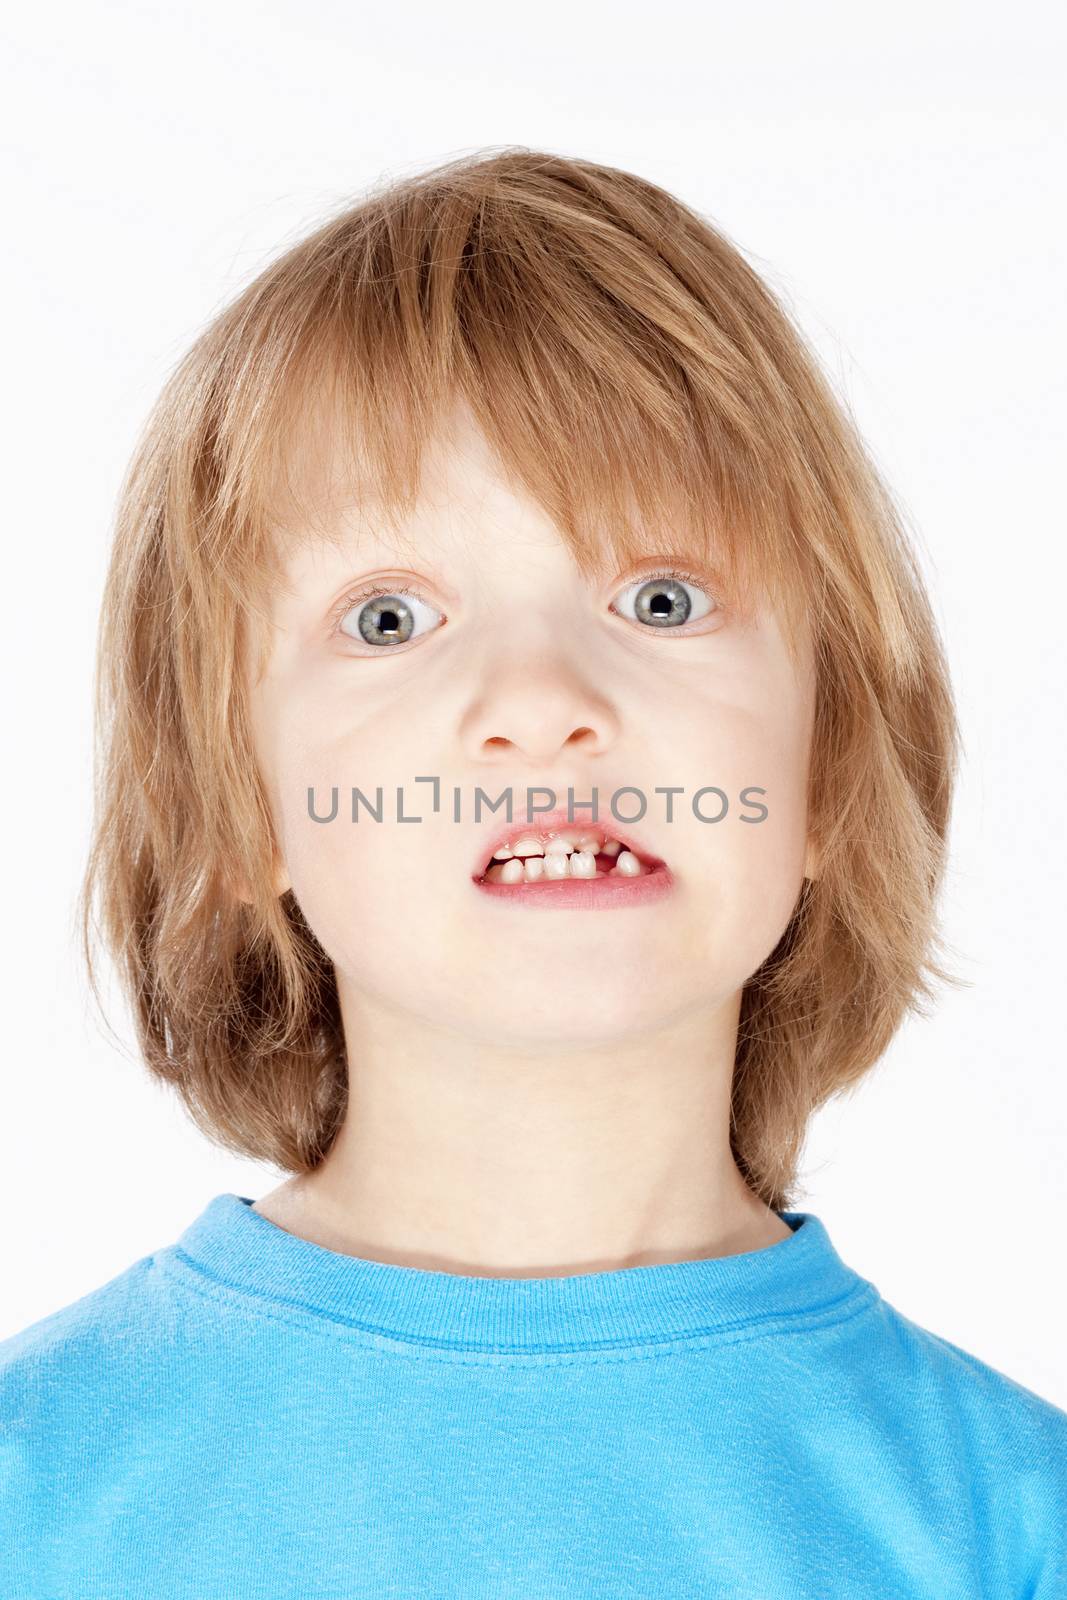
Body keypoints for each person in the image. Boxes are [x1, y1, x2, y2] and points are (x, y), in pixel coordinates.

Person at [2, 147, 1064, 1598]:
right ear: (238, 801)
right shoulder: (38, 1487)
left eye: (662, 597)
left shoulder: (1014, 1527)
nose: (544, 698)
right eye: (387, 618)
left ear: (827, 767)